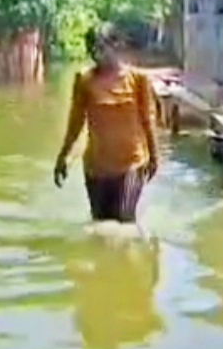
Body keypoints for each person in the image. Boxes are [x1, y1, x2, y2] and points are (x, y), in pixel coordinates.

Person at [54, 23, 159, 223]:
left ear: (116, 46)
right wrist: (63, 157)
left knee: (124, 222)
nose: (96, 54)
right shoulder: (85, 80)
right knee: (101, 225)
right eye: (91, 49)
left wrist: (154, 157)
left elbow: (148, 119)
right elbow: (76, 122)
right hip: (97, 167)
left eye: (101, 48)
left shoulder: (138, 80)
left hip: (131, 163)